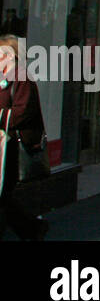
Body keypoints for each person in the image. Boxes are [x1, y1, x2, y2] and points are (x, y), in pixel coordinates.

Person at [0, 35, 48, 240]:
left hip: (10, 145)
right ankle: (31, 228)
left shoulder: (21, 78)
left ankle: (31, 228)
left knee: (3, 194)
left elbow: (23, 111)